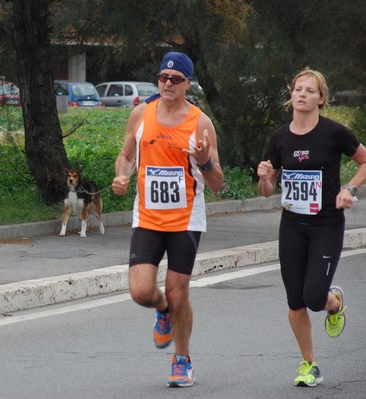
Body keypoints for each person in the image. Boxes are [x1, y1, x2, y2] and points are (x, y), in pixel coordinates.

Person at [111, 51, 224, 387]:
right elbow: (126, 155)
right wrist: (122, 176)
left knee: (179, 294)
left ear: (188, 84)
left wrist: (204, 163)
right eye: (163, 77)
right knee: (141, 291)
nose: (168, 83)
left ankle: (182, 360)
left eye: (175, 79)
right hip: (146, 216)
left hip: (185, 220)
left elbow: (218, 184)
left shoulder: (201, 123)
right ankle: (162, 310)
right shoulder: (140, 115)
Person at [257, 68, 366, 387]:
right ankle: (310, 364)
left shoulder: (334, 133)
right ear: (291, 95)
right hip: (291, 225)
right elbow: (266, 190)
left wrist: (350, 188)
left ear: (321, 99)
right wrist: (266, 176)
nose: (302, 94)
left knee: (315, 297)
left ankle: (334, 300)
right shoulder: (280, 138)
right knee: (296, 300)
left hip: (326, 225)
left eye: (310, 90)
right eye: (297, 89)